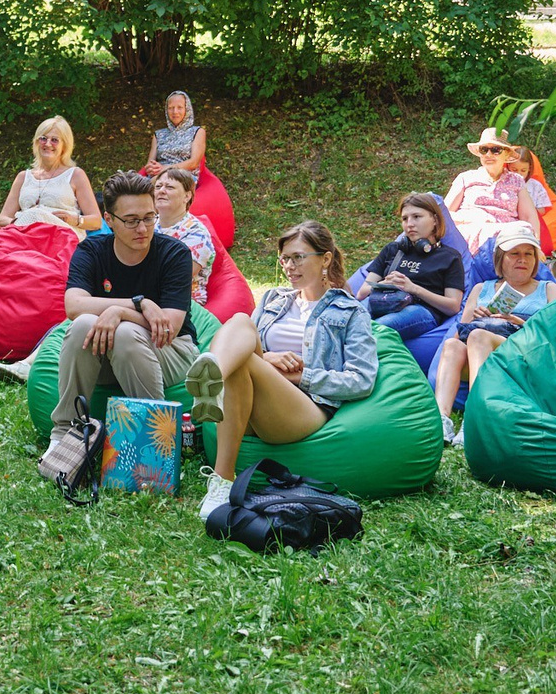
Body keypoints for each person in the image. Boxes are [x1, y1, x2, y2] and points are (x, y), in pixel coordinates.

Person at [184, 221, 378, 498]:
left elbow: (361, 380)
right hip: (248, 398)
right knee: (240, 321)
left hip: (304, 407)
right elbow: (246, 344)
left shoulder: (349, 311)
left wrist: (301, 375)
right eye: (285, 258)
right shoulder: (273, 300)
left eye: (298, 257)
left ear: (325, 259)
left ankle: (221, 477)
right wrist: (270, 358)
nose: (289, 266)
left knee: (246, 363)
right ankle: (212, 380)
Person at [36, 171, 200, 484]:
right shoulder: (92, 251)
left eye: (150, 217)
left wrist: (118, 313)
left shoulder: (174, 254)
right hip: (111, 355)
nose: (143, 228)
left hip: (172, 351)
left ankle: (158, 444)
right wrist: (136, 304)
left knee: (123, 332)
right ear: (109, 220)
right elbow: (74, 306)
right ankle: (66, 435)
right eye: (131, 220)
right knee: (84, 324)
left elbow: (169, 326)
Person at [433, 221, 555, 444]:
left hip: (525, 354)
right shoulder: (482, 288)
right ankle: (441, 420)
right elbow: (459, 334)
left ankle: (474, 418)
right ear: (500, 259)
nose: (523, 259)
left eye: (529, 254)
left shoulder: (548, 289)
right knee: (453, 344)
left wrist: (518, 322)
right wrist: (480, 318)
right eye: (515, 253)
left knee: (479, 337)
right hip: (481, 351)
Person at [354, 192, 468, 345]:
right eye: (405, 219)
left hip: (421, 310)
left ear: (434, 219)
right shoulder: (393, 250)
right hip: (383, 301)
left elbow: (453, 306)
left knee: (374, 330)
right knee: (347, 322)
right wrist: (384, 283)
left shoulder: (450, 257)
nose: (410, 224)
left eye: (417, 217)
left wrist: (412, 288)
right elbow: (362, 293)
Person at [0, 117, 102, 235]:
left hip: (60, 238)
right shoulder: (23, 177)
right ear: (36, 142)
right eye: (43, 138)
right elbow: (2, 219)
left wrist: (74, 219)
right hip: (25, 235)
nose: (48, 144)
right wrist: (22, 222)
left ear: (65, 145)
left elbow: (96, 221)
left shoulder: (75, 175)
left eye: (54, 140)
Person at [444, 128, 535, 255]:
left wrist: (537, 246)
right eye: (484, 150)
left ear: (507, 154)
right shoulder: (466, 178)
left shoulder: (517, 181)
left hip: (506, 237)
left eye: (495, 150)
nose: (488, 154)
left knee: (522, 232)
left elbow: (529, 216)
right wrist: (472, 219)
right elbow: (444, 214)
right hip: (471, 232)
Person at [155, 168, 218, 303]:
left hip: (182, 301)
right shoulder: (147, 224)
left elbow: (178, 276)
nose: (161, 191)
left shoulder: (196, 233)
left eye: (170, 187)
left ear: (187, 196)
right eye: (158, 186)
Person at [141, 90, 207, 175]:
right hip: (159, 176)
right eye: (171, 108)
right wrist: (152, 168)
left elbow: (194, 163)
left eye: (179, 107)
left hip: (184, 176)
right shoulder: (158, 135)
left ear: (187, 109)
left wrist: (166, 169)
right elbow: (150, 164)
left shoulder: (197, 132)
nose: (175, 111)